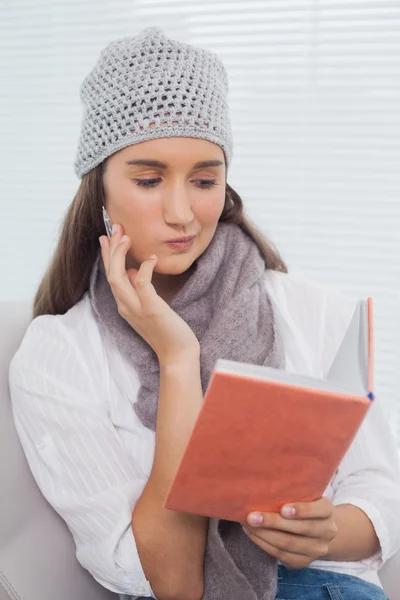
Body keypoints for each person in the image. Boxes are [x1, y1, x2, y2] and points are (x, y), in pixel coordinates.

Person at [8, 26, 400, 600]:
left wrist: (328, 532)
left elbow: (379, 485)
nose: (182, 212)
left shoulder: (308, 307)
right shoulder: (59, 355)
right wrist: (176, 358)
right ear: (100, 192)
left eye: (204, 180)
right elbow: (163, 579)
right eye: (147, 179)